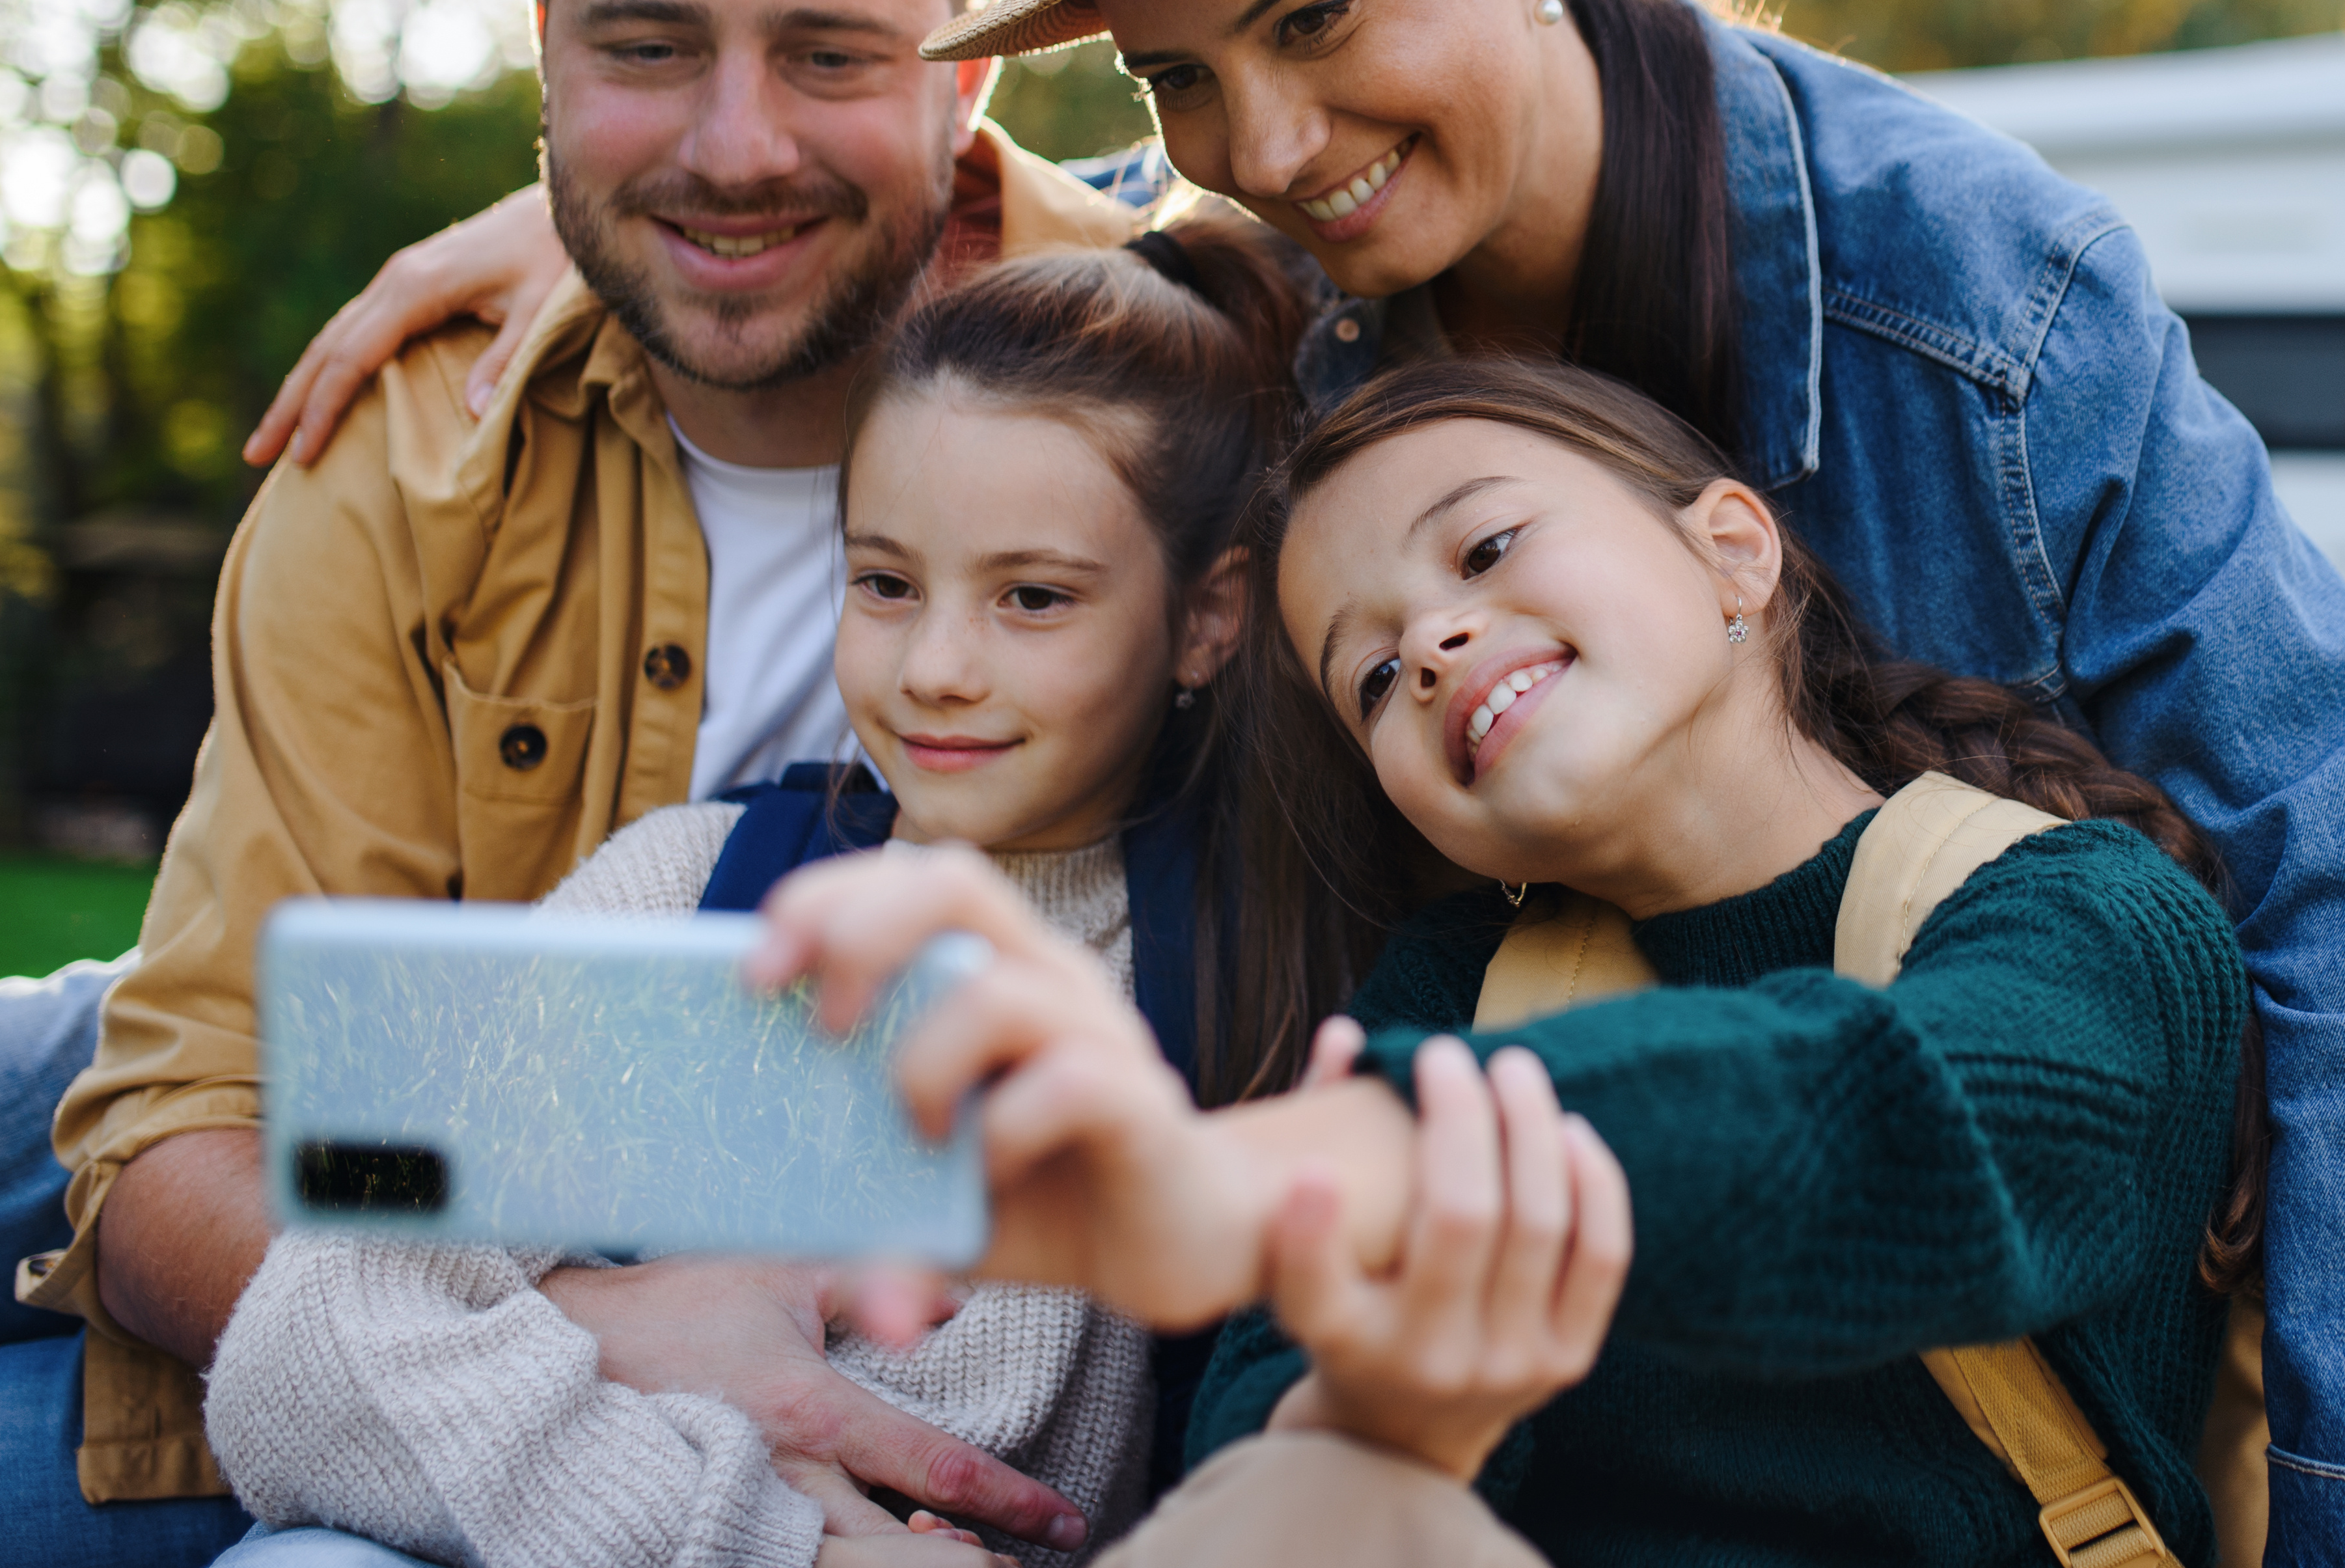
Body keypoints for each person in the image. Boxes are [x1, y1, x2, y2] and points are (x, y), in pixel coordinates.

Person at [242, 0, 2345, 1565]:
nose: (1259, 142)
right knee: (120, 1145)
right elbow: (1029, 292)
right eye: (1172, 80)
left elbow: (2327, 930)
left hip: (1858, 1316)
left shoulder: (1976, 353)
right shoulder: (1294, 450)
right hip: (1090, 1149)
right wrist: (621, 208)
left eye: (1318, 19)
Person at [0, 0, 1142, 1568]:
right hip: (364, 1155)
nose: (735, 144)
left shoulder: (1165, 394)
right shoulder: (407, 431)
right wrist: (568, 1338)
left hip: (529, 1275)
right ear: (546, 60)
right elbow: (188, 1121)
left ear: (964, 89)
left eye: (829, 55)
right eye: (647, 51)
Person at [749, 353, 2258, 1567]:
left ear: (1734, 548)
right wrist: (1386, 1406)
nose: (1437, 644)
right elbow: (1266, 1437)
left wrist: (1244, 1184)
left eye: (1484, 545)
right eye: (1374, 671)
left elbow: (1884, 1124)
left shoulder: (2088, 917)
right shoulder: (1451, 985)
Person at [202, 227, 1307, 1568]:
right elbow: (297, 1346)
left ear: (1208, 615)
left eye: (1032, 597)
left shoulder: (1269, 969)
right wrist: (787, 1549)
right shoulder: (699, 892)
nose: (938, 665)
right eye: (886, 582)